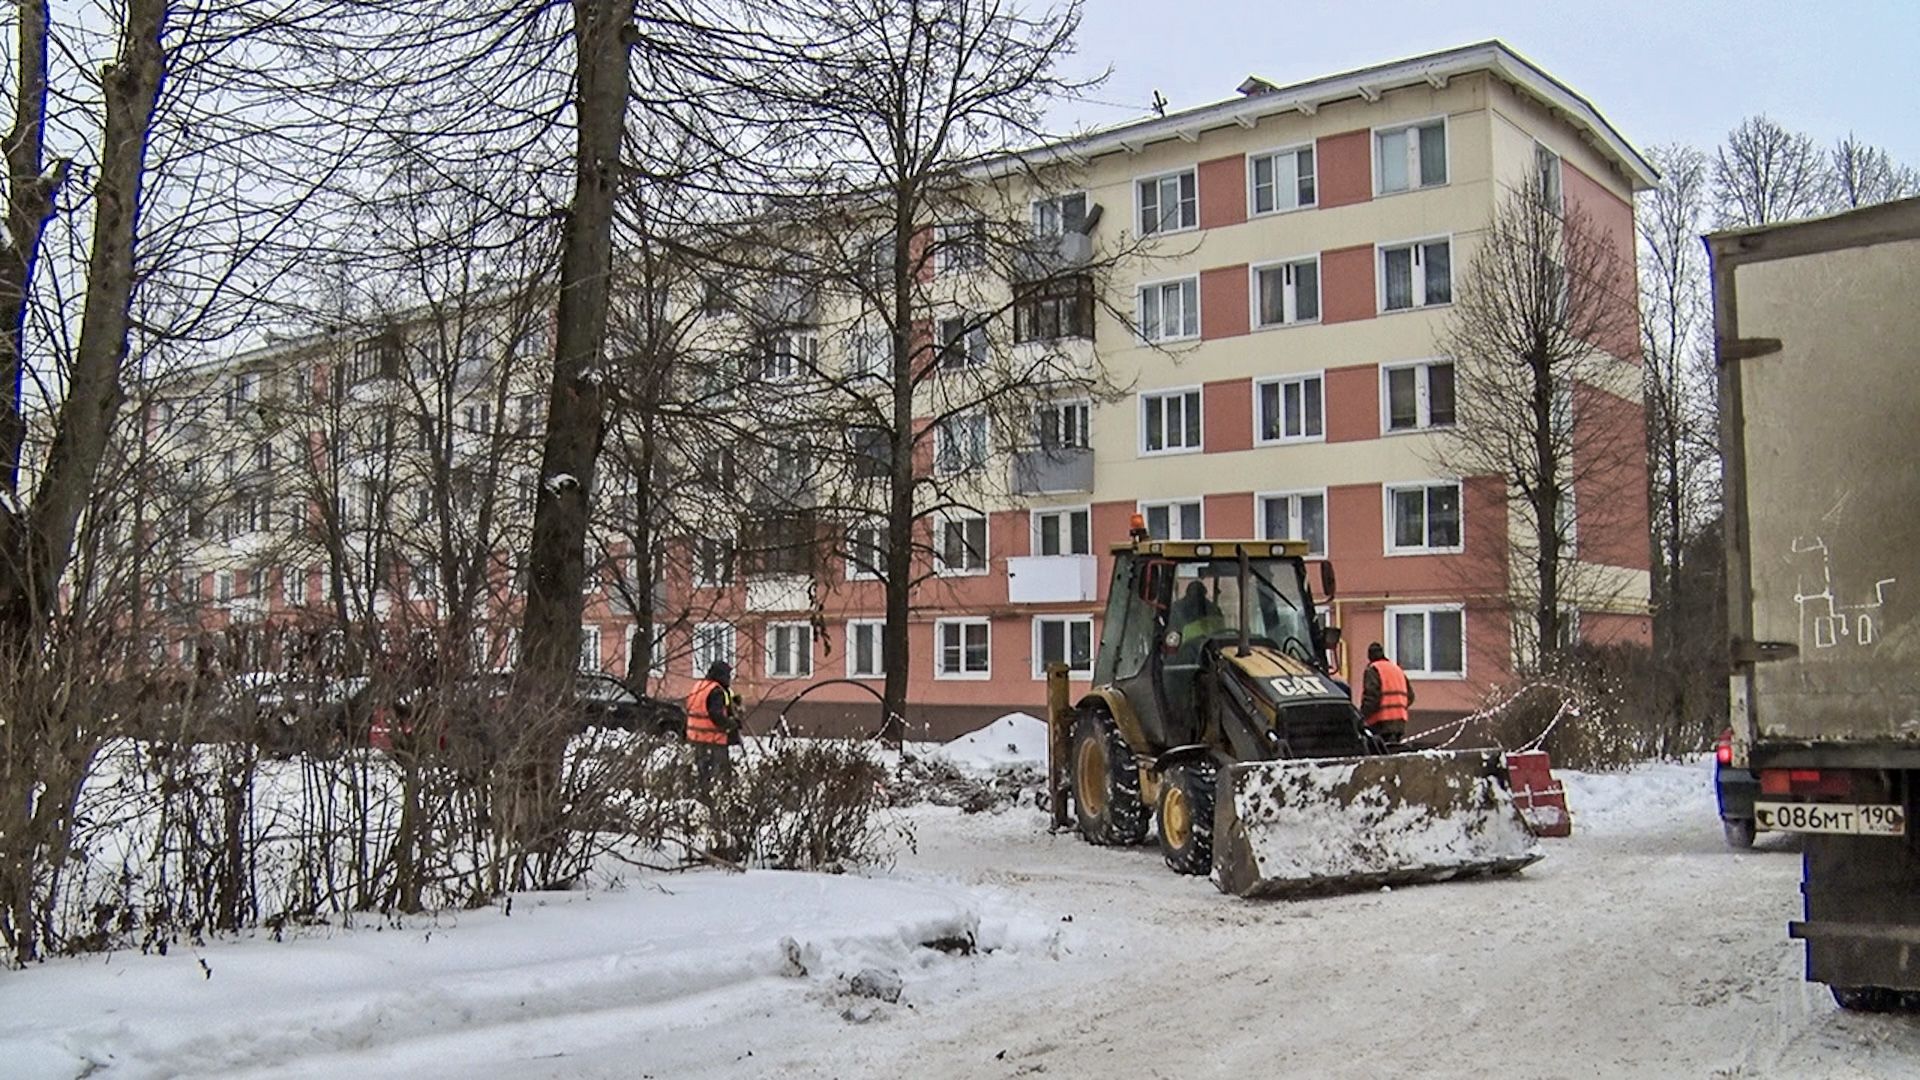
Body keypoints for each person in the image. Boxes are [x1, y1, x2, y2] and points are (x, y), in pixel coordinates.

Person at [684, 660, 738, 799]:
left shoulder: (699, 686)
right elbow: (716, 715)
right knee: (719, 773)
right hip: (713, 738)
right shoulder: (716, 691)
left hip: (696, 736)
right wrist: (731, 724)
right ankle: (719, 799)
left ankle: (700, 795)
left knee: (702, 772)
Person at [1360, 642, 1414, 747]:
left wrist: (1362, 716)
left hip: (1380, 721)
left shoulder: (1373, 669)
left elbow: (1372, 696)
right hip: (1399, 722)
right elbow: (1410, 696)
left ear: (1369, 656)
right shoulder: (1397, 669)